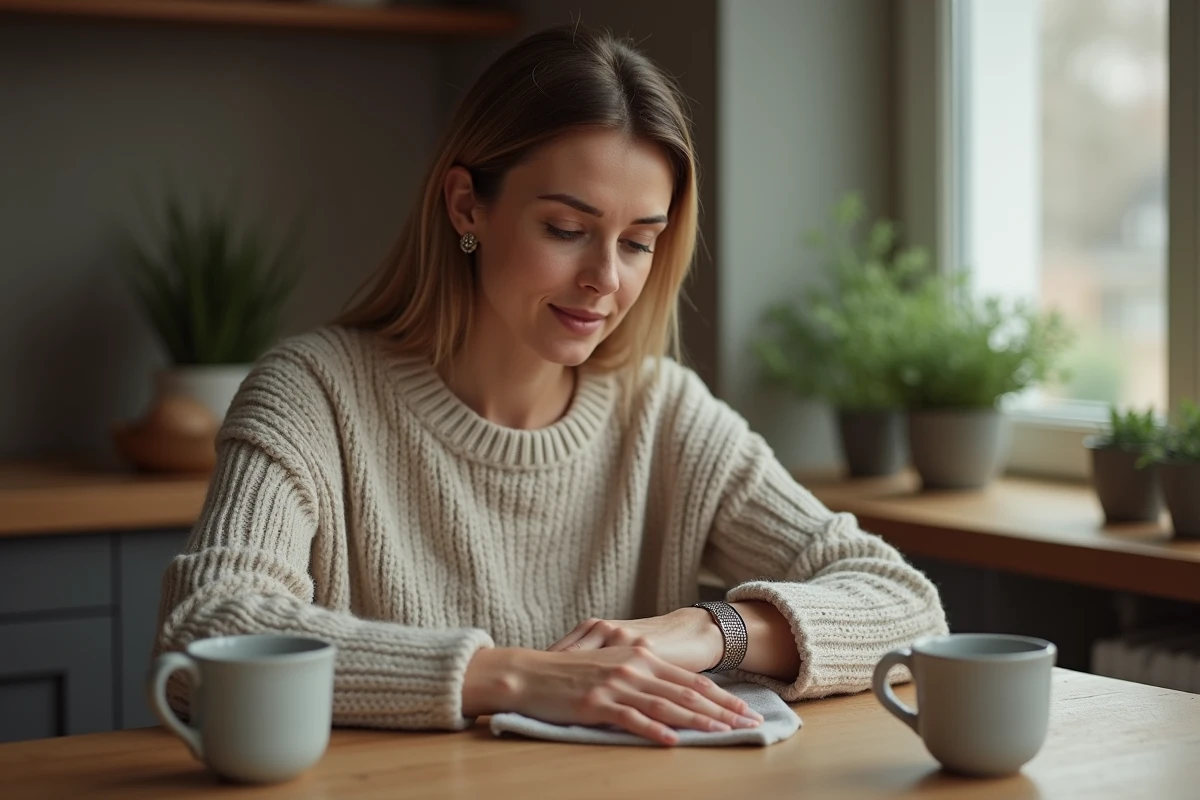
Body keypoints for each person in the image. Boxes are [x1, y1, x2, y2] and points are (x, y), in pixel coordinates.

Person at [154, 24, 948, 747]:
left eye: (638, 243)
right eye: (567, 230)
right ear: (468, 205)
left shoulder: (663, 411)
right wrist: (522, 676)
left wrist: (704, 631)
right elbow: (207, 630)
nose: (605, 279)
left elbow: (906, 604)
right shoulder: (311, 396)